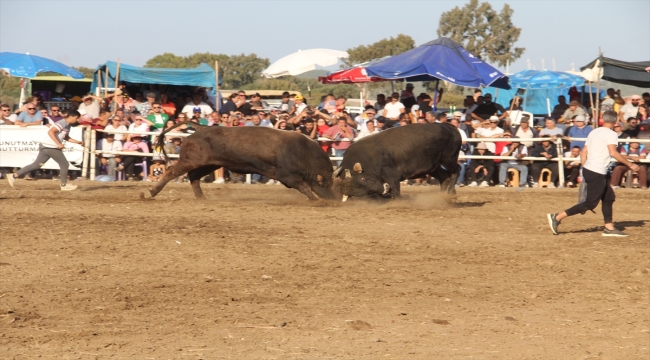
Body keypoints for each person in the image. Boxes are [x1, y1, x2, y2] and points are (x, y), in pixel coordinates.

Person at [547, 110, 641, 237]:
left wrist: (586, 168)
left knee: (608, 198)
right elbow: (613, 153)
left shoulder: (594, 132)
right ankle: (557, 216)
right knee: (590, 203)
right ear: (615, 121)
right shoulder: (611, 134)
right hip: (598, 171)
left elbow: (583, 152)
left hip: (590, 169)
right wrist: (630, 164)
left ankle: (609, 228)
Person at [6, 110, 83, 191]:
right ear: (71, 117)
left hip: (46, 146)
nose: (77, 120)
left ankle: (13, 175)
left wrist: (77, 142)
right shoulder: (62, 123)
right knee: (64, 164)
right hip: (51, 147)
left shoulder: (68, 125)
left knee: (36, 165)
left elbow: (65, 137)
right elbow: (51, 132)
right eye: (76, 118)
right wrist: (59, 144)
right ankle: (64, 185)